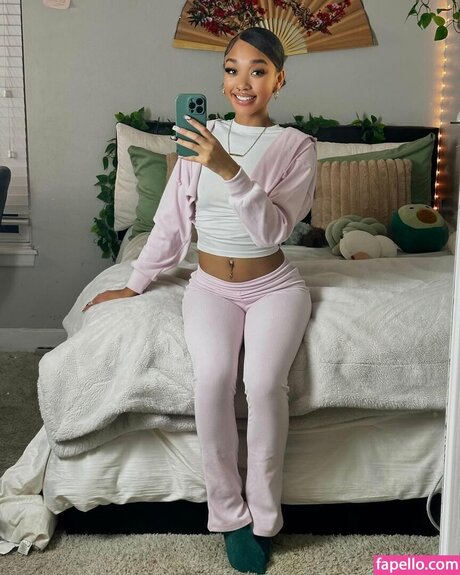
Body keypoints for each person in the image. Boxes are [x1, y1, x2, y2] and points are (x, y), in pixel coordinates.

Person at [84, 27, 317, 575]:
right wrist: (136, 282)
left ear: (279, 80)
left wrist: (228, 169)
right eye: (232, 70)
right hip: (210, 286)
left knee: (265, 385)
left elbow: (272, 231)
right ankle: (229, 515)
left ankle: (265, 518)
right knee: (211, 382)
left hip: (274, 287)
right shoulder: (199, 137)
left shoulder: (296, 147)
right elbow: (170, 223)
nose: (243, 82)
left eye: (258, 70)